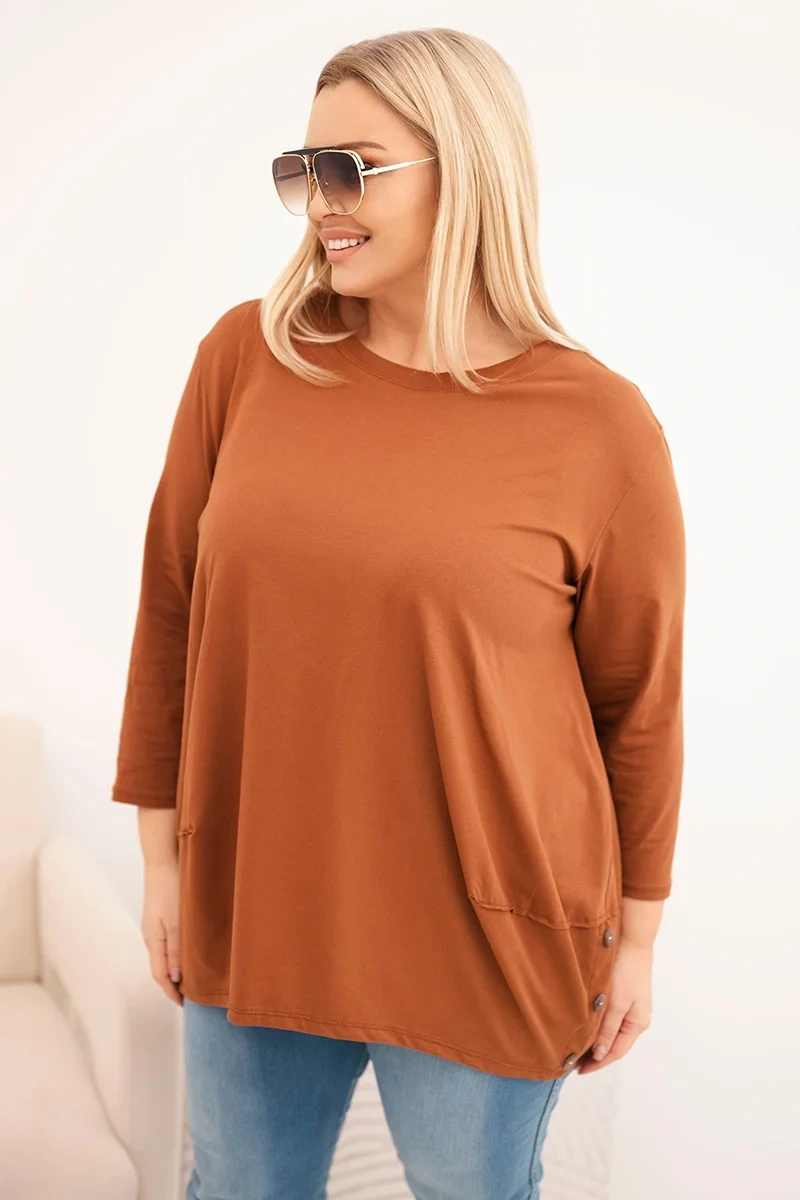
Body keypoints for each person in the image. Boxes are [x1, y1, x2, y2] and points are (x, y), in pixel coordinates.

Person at [110, 26, 686, 1200]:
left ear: (464, 167)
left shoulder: (596, 425)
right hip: (257, 898)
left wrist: (634, 941)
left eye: (352, 168)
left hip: (488, 926)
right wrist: (163, 865)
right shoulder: (247, 359)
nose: (319, 202)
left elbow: (636, 702)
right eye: (303, 169)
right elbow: (170, 611)